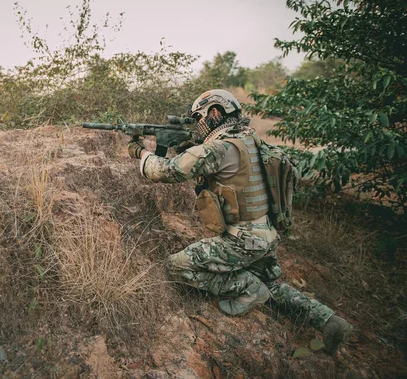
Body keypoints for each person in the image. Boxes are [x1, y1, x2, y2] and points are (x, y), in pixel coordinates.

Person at [127, 89, 352, 355]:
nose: (195, 124)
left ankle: (247, 286)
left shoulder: (219, 147)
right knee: (272, 285)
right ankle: (329, 321)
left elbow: (167, 170)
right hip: (266, 236)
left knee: (174, 267)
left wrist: (140, 152)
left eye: (198, 117)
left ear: (215, 113)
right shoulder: (251, 139)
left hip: (240, 241)